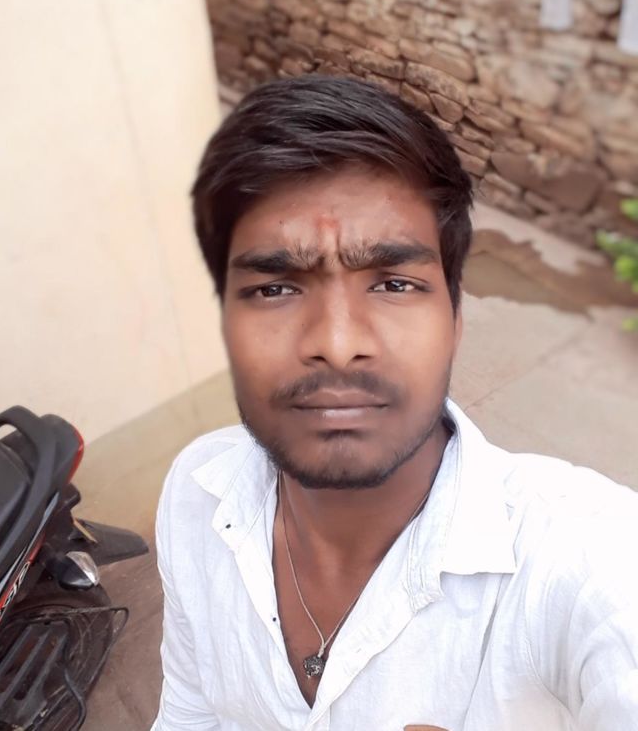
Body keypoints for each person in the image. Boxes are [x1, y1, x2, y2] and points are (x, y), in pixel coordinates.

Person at [151, 76, 638, 731]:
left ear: (455, 319)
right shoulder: (195, 496)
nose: (337, 345)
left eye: (394, 283)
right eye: (274, 288)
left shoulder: (583, 559)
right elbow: (189, 716)